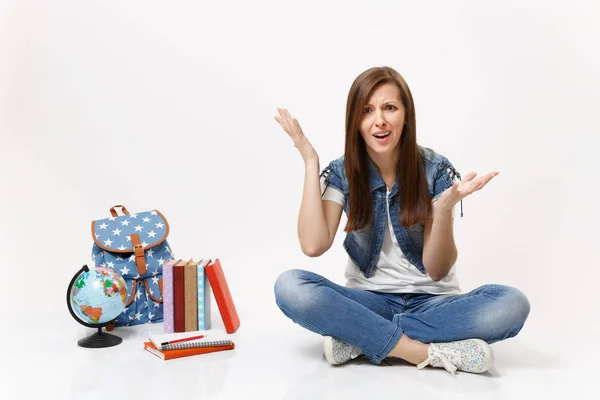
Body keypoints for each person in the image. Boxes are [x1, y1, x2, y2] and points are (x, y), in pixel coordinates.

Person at [272, 66, 530, 375]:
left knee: (512, 304)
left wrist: (443, 208)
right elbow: (313, 245)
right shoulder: (343, 172)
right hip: (367, 301)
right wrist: (310, 162)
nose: (379, 120)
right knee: (290, 286)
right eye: (367, 111)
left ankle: (359, 337)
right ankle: (422, 351)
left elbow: (438, 269)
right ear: (355, 121)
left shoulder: (435, 170)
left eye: (389, 108)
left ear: (406, 115)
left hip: (433, 304)